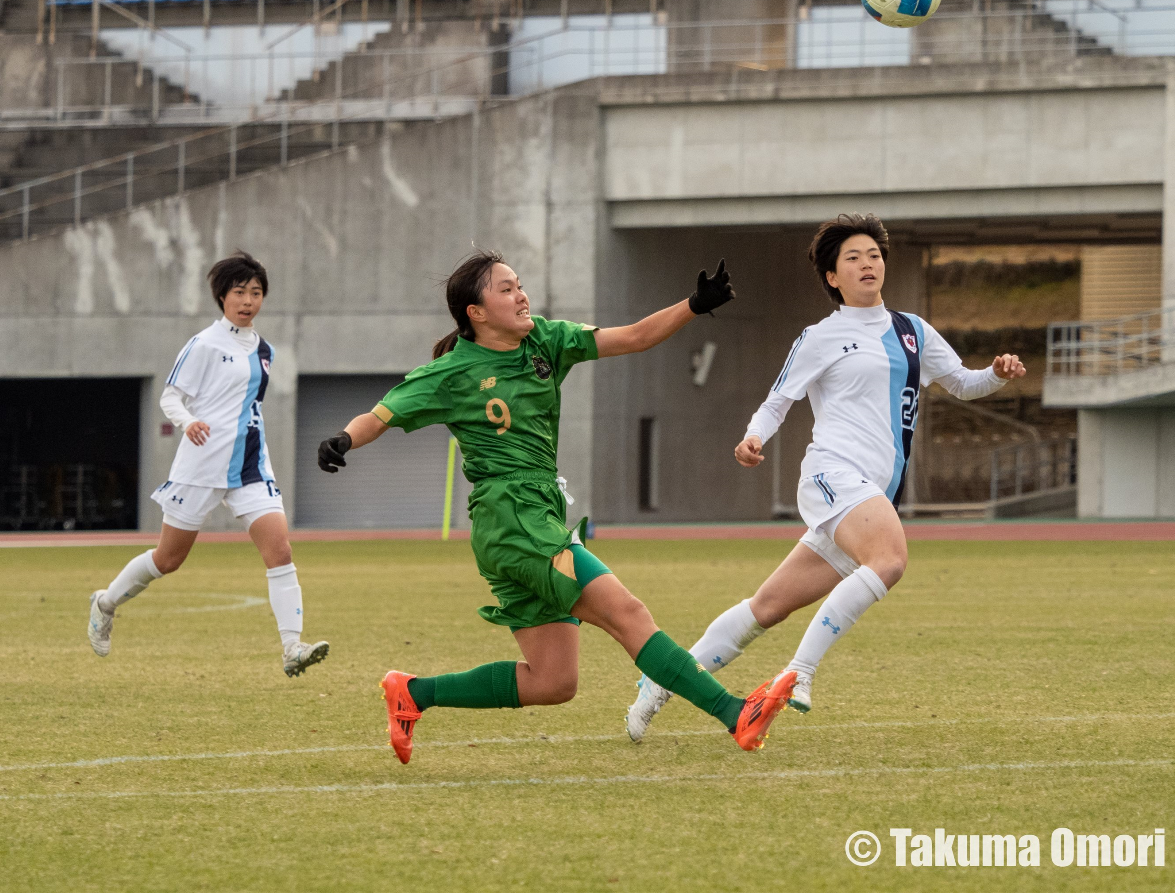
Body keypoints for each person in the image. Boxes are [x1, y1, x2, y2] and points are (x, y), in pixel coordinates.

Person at [317, 250, 786, 763]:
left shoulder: (544, 339)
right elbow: (381, 414)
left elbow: (632, 337)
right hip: (511, 516)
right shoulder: (452, 373)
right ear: (475, 312)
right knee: (627, 613)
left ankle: (413, 693)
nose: (521, 295)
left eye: (520, 284)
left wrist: (694, 304)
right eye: (506, 288)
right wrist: (343, 439)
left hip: (530, 516)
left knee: (554, 681)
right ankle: (735, 713)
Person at [625, 213, 1026, 742]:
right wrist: (753, 440)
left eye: (874, 255)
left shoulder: (913, 332)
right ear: (832, 277)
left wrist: (995, 374)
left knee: (765, 608)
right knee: (890, 560)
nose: (868, 264)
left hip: (870, 494)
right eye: (853, 258)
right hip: (832, 475)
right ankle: (799, 674)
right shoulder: (820, 336)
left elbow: (963, 384)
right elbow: (778, 400)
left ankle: (659, 683)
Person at [87, 251, 329, 678]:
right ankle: (105, 603)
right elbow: (170, 397)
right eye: (240, 292)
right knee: (168, 559)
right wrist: (188, 422)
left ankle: (292, 647)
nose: (248, 300)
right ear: (222, 296)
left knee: (280, 551)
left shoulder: (265, 350)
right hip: (201, 465)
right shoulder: (204, 344)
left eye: (256, 293)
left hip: (251, 465)